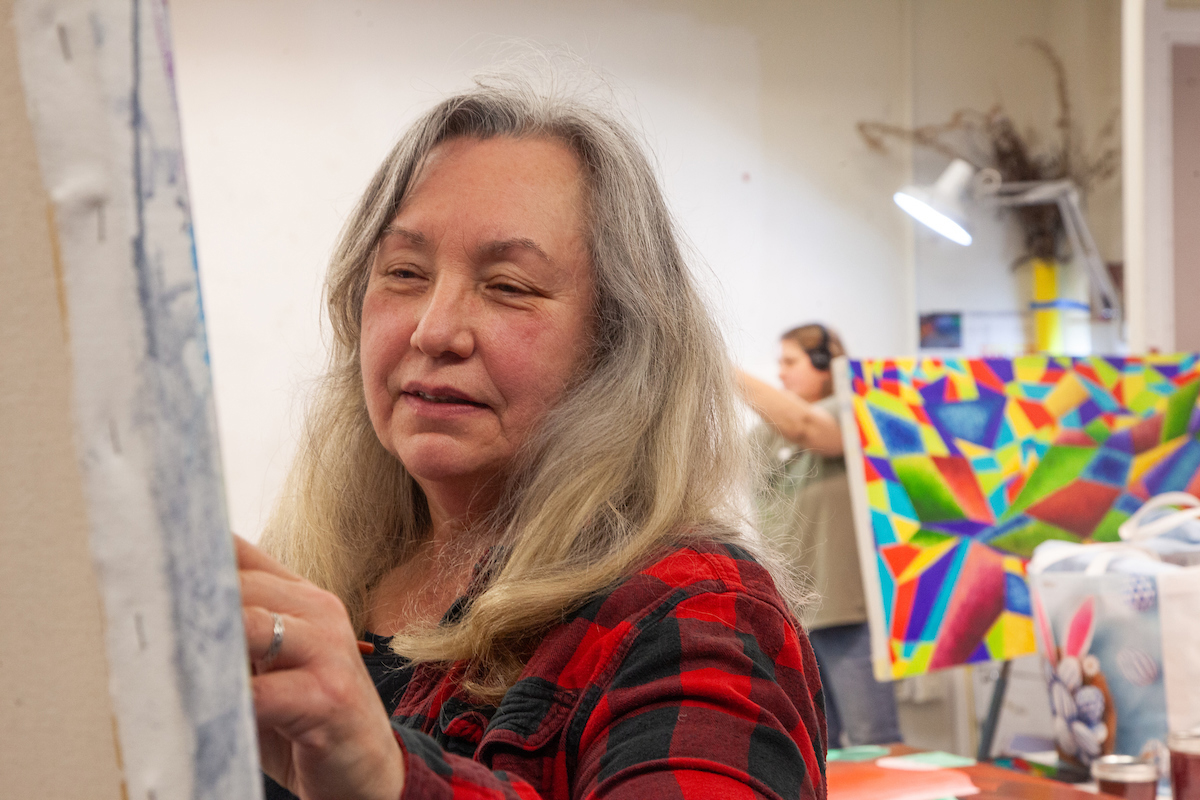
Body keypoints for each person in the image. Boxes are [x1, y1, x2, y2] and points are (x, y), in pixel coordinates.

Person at [236, 79, 827, 800]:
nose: (434, 329)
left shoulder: (694, 610)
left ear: (616, 344)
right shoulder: (322, 577)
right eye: (403, 273)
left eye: (509, 285)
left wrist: (386, 777)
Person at [736, 324, 901, 748]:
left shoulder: (853, 408)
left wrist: (722, 370)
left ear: (826, 365)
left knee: (872, 742)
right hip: (793, 615)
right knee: (816, 749)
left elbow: (807, 427)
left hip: (847, 611)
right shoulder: (770, 431)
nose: (782, 373)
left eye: (790, 362)